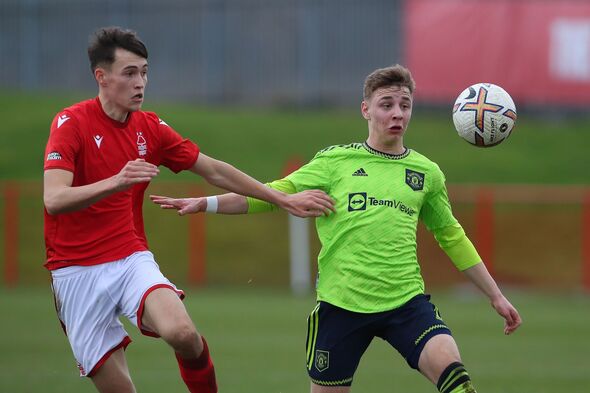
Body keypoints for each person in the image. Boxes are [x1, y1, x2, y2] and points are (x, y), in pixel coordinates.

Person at [151, 64, 522, 393]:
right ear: (366, 109)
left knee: (457, 379)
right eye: (387, 104)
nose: (397, 113)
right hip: (340, 306)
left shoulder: (426, 173)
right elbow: (270, 195)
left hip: (406, 302)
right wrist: (207, 203)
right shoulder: (334, 161)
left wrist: (495, 295)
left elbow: (451, 235)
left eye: (405, 105)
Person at [43, 26, 334, 393]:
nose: (140, 83)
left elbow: (213, 169)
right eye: (130, 73)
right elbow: (54, 199)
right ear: (101, 77)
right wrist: (117, 181)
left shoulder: (149, 128)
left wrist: (282, 198)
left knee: (183, 333)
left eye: (145, 72)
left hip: (129, 257)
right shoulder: (71, 123)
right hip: (74, 273)